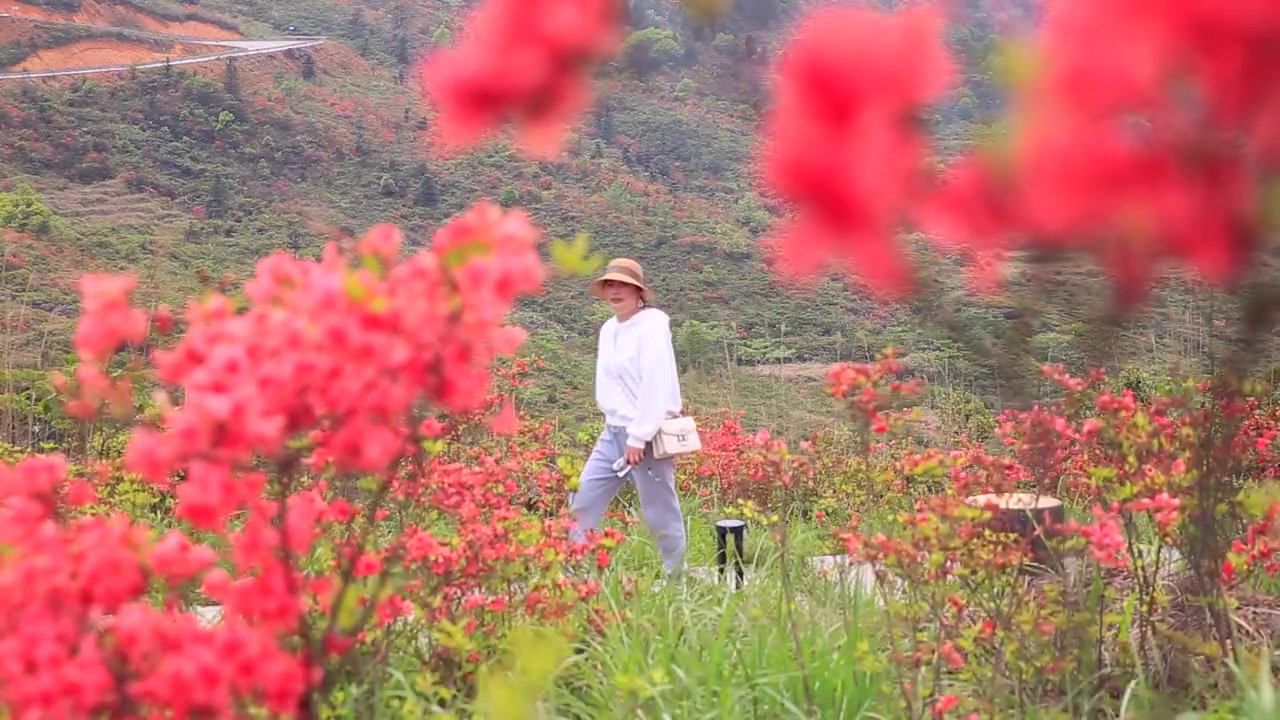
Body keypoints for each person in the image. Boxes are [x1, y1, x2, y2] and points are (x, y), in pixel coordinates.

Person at [569, 258, 686, 578]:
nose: (615, 290)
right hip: (613, 431)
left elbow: (656, 383)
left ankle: (675, 578)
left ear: (639, 292)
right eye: (610, 285)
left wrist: (638, 436)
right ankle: (577, 572)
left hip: (645, 436)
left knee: (659, 509)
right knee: (583, 497)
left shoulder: (653, 325)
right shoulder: (609, 329)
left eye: (623, 285)